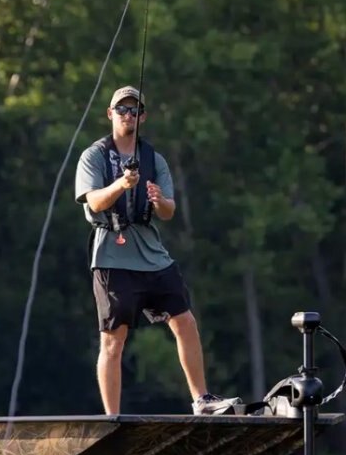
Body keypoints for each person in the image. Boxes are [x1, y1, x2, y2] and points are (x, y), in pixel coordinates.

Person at [74, 86, 236, 416]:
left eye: (134, 110)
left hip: (152, 254)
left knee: (185, 321)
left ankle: (202, 400)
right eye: (122, 109)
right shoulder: (93, 156)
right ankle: (113, 418)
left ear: (143, 117)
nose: (128, 115)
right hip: (111, 256)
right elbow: (94, 201)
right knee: (113, 339)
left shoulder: (154, 159)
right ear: (110, 114)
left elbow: (168, 210)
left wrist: (159, 200)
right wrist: (122, 184)